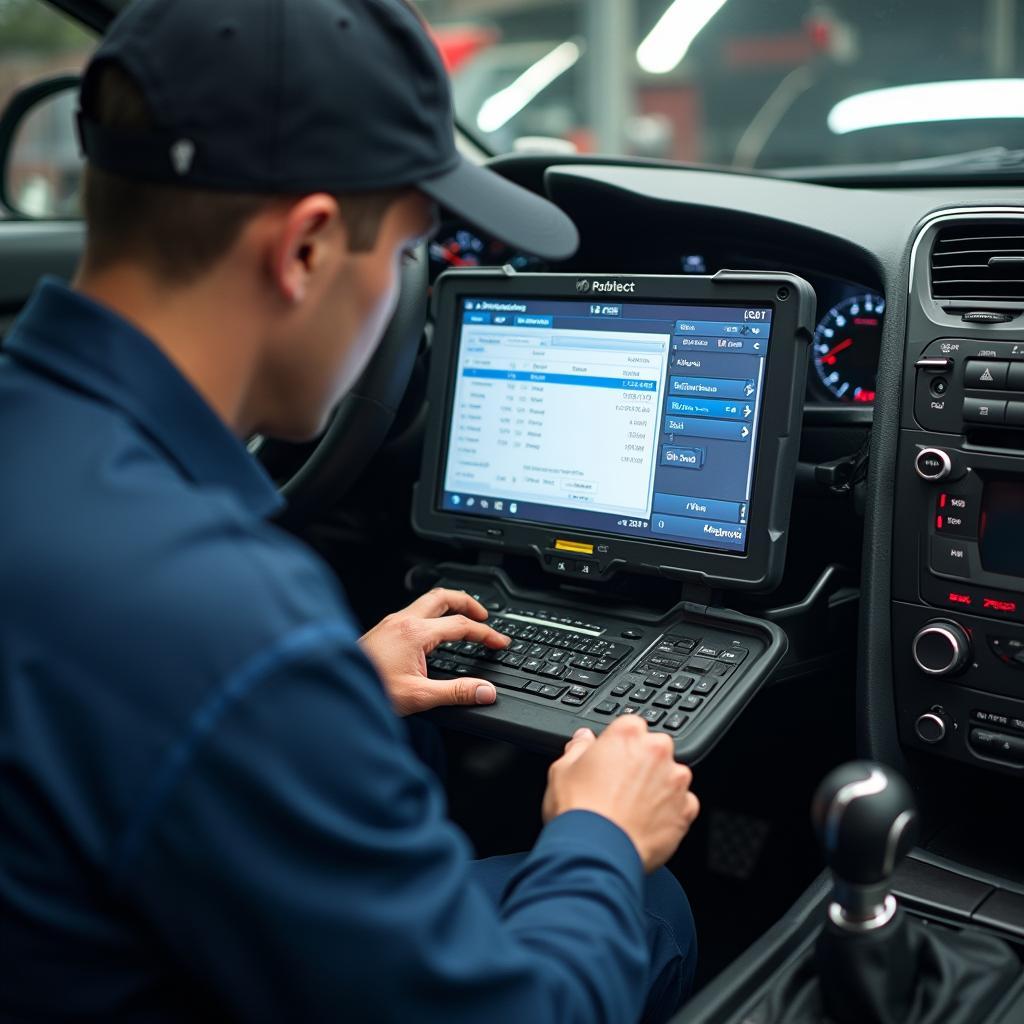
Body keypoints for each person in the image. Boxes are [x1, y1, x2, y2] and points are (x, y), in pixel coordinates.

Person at [0, 1, 701, 1021]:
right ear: (306, 251)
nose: (395, 304)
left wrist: (321, 698)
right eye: (407, 254)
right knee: (650, 902)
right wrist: (597, 835)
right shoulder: (222, 619)